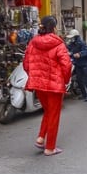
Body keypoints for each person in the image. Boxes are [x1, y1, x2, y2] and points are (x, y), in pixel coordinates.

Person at [23, 16, 72, 156]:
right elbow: (66, 65)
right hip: (54, 86)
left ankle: (40, 138)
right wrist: (66, 80)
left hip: (38, 85)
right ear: (54, 27)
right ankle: (50, 147)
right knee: (54, 115)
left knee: (48, 111)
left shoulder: (33, 43)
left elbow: (26, 64)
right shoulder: (58, 44)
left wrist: (35, 76)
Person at [66, 29, 87, 102]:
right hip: (77, 64)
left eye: (72, 37)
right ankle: (84, 95)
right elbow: (67, 49)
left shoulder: (82, 43)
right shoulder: (71, 44)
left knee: (86, 80)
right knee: (79, 80)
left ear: (76, 37)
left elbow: (86, 51)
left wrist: (80, 54)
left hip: (85, 64)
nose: (71, 39)